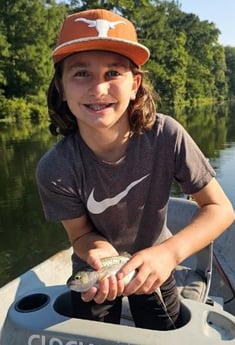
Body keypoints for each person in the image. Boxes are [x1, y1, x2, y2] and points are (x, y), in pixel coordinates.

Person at [36, 8, 234, 331]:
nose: (98, 89)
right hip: (95, 271)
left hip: (157, 261)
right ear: (61, 87)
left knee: (167, 332)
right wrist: (99, 253)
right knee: (92, 335)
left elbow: (220, 209)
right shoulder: (55, 168)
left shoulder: (166, 136)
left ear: (135, 85)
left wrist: (169, 254)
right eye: (81, 73)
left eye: (113, 73)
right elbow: (81, 235)